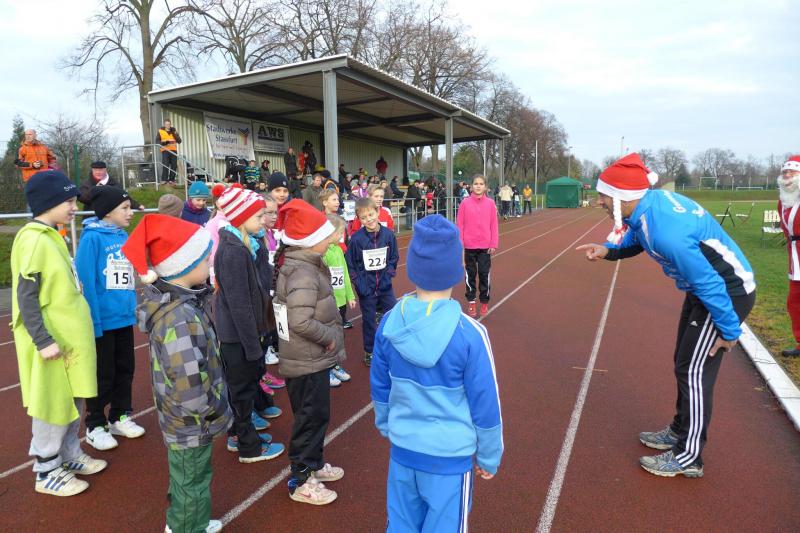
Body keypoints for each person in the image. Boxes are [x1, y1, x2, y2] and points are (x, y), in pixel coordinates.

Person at [575, 153, 756, 478]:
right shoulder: (648, 206)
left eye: (604, 195)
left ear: (623, 197)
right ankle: (679, 430)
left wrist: (730, 331)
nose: (599, 201)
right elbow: (638, 236)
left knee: (694, 371)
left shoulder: (667, 231)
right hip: (705, 291)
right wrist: (609, 250)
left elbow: (710, 282)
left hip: (725, 294)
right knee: (684, 361)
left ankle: (689, 457)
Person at [370, 214, 503, 532]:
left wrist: (387, 424)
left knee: (401, 525)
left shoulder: (389, 323)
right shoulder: (470, 335)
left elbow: (380, 386)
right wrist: (489, 455)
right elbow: (486, 402)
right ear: (456, 270)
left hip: (403, 452)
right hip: (449, 459)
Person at [122, 214, 231, 533]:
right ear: (184, 267)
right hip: (191, 420)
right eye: (205, 259)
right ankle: (186, 526)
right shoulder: (180, 318)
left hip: (187, 419)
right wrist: (213, 410)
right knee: (192, 480)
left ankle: (188, 521)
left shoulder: (184, 305)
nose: (210, 264)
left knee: (189, 476)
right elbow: (188, 384)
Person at [12, 170, 106, 496]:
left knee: (73, 400)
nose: (74, 208)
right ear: (48, 203)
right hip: (52, 343)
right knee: (52, 405)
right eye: (68, 202)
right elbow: (26, 296)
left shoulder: (52, 235)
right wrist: (43, 340)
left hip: (69, 342)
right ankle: (46, 469)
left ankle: (68, 452)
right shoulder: (34, 240)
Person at [271, 200, 345, 505]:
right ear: (311, 240)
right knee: (309, 418)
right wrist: (330, 338)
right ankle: (300, 480)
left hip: (309, 358)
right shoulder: (303, 273)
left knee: (317, 415)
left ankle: (313, 464)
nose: (332, 241)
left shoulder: (305, 265)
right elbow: (299, 320)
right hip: (307, 359)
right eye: (327, 237)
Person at [214, 187, 286, 463]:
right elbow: (239, 305)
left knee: (244, 387)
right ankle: (248, 446)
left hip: (245, 334)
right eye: (258, 216)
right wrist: (253, 345)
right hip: (237, 336)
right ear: (241, 218)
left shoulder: (247, 246)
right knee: (241, 392)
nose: (264, 220)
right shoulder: (233, 252)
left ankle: (241, 435)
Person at [75, 186, 145, 452]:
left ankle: (119, 415)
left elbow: (127, 275)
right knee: (102, 373)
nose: (130, 212)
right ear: (107, 212)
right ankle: (95, 424)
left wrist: (130, 307)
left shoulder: (123, 235)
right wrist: (93, 320)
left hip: (123, 317)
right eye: (124, 208)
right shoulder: (91, 239)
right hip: (102, 320)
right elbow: (86, 282)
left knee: (125, 369)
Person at [346, 198, 399, 366]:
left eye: (371, 214)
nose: (369, 219)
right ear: (359, 219)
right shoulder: (356, 239)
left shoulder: (388, 235)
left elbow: (394, 257)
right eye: (363, 217)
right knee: (369, 321)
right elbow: (350, 264)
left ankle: (393, 347)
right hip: (366, 289)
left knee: (393, 315)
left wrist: (388, 275)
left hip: (385, 287)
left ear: (377, 212)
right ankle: (369, 351)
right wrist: (359, 284)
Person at [457, 175, 499, 318]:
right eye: (476, 183)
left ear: (485, 187)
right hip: (469, 246)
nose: (478, 186)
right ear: (471, 186)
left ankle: (484, 301)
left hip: (485, 246)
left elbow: (494, 224)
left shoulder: (491, 204)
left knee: (484, 273)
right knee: (470, 275)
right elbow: (460, 225)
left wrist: (493, 243)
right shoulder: (465, 203)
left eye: (481, 184)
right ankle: (471, 301)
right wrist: (461, 243)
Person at [323, 214, 356, 386]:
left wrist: (350, 296)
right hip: (329, 302)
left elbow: (345, 275)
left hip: (341, 301)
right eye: (340, 233)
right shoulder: (323, 253)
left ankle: (334, 364)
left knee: (338, 335)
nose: (342, 236)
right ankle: (326, 368)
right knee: (328, 336)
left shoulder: (338, 250)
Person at [778, 155, 800, 357]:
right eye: (785, 172)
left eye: (792, 171)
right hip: (794, 254)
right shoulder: (783, 201)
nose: (787, 175)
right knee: (795, 301)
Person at [79, 161, 143, 211]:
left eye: (100, 170)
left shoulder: (114, 184)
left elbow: (124, 196)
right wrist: (95, 190)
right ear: (92, 171)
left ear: (105, 170)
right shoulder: (87, 184)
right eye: (95, 170)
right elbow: (82, 197)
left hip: (111, 218)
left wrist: (137, 205)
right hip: (91, 217)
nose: (98, 172)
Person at [156, 119, 182, 184]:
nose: (168, 125)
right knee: (165, 165)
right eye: (167, 124)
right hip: (165, 150)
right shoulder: (160, 131)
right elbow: (157, 141)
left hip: (173, 150)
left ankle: (171, 180)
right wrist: (164, 142)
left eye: (169, 124)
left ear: (170, 124)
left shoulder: (174, 131)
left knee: (174, 166)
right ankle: (164, 180)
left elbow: (179, 141)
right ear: (164, 125)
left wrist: (174, 133)